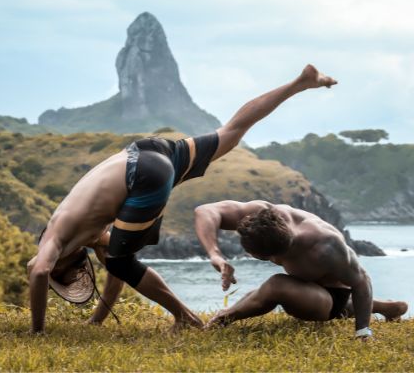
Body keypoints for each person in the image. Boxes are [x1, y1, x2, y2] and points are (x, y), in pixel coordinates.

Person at [27, 65, 338, 333]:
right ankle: (300, 82)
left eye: (62, 271)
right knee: (231, 131)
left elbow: (38, 270)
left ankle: (185, 317)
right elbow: (116, 271)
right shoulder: (89, 235)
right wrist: (96, 321)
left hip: (141, 176)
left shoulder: (54, 238)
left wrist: (37, 331)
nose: (62, 269)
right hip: (148, 151)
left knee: (121, 261)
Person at [193, 200, 409, 339]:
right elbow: (205, 211)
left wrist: (363, 331)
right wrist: (215, 255)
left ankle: (224, 319)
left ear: (277, 255)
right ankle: (388, 307)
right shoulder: (263, 214)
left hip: (332, 297)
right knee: (266, 292)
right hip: (313, 286)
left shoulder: (325, 246)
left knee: (275, 286)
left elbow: (361, 281)